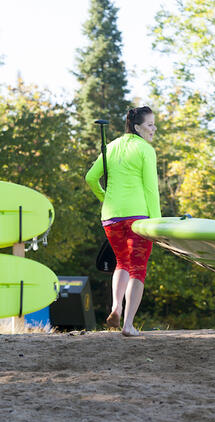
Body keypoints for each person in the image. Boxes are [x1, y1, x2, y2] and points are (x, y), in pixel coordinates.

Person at [85, 106, 161, 337]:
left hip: (111, 217)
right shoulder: (145, 150)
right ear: (137, 127)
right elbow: (151, 189)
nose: (154, 129)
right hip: (138, 218)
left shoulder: (111, 146)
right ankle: (128, 325)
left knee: (121, 263)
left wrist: (105, 198)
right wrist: (156, 224)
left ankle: (115, 307)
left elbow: (90, 178)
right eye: (150, 125)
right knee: (138, 269)